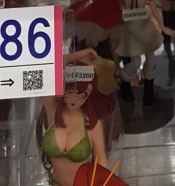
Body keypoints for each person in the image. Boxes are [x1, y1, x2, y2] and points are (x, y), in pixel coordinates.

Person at [38, 51, 129, 186]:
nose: (75, 99)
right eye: (70, 92)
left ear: (90, 94)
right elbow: (45, 70)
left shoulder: (91, 122)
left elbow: (101, 162)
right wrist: (77, 57)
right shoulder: (53, 110)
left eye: (83, 94)